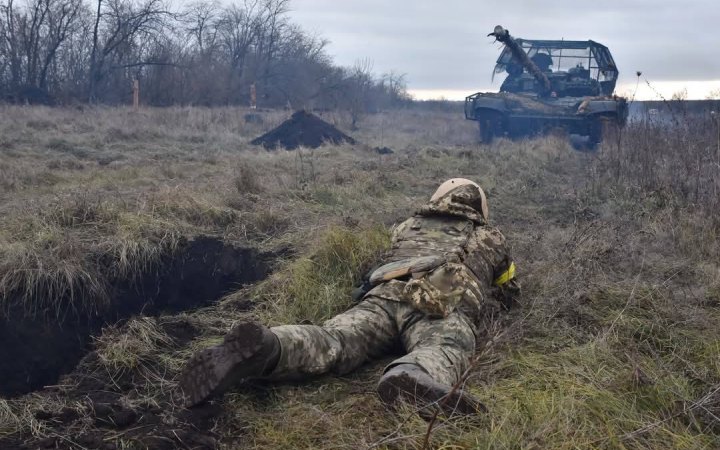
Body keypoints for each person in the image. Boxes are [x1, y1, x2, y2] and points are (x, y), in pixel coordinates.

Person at [179, 178, 519, 417]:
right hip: (442, 306)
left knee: (336, 339)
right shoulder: (490, 236)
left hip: (385, 293)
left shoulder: (407, 225)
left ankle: (271, 347)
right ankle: (413, 374)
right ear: (480, 208)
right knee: (446, 347)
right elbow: (507, 291)